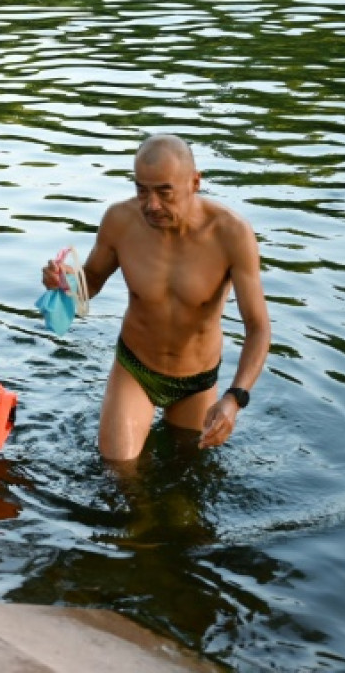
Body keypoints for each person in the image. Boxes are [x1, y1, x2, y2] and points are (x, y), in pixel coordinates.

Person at [42, 134, 271, 464]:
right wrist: (61, 282)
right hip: (136, 368)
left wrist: (234, 398)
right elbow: (89, 284)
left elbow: (258, 328)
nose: (151, 204)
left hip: (197, 380)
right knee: (118, 472)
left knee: (185, 483)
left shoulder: (231, 234)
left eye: (164, 192)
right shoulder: (120, 221)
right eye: (141, 189)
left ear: (194, 182)